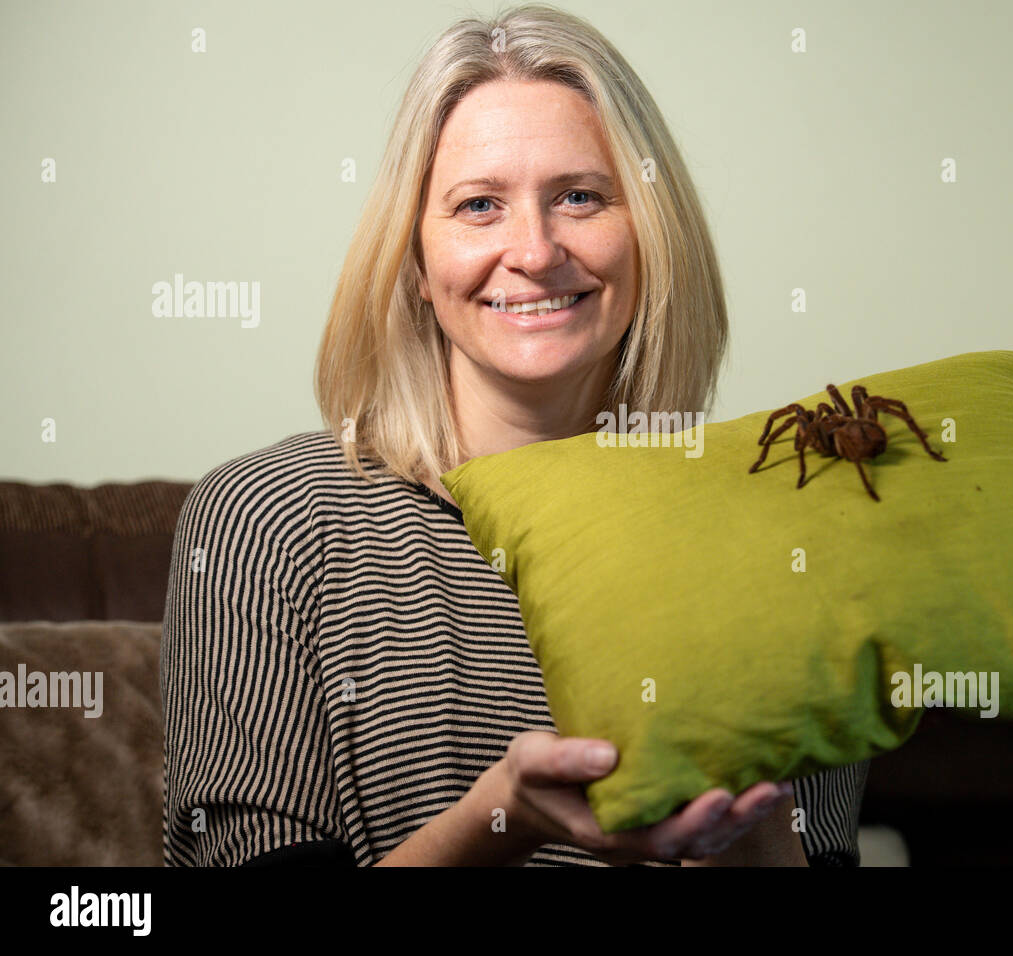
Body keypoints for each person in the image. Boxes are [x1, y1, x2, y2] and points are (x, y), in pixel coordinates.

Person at [161, 2, 870, 867]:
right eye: (479, 205)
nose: (534, 251)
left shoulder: (783, 537)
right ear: (416, 261)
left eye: (580, 197)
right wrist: (500, 819)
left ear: (650, 236)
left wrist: (750, 823)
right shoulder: (264, 517)